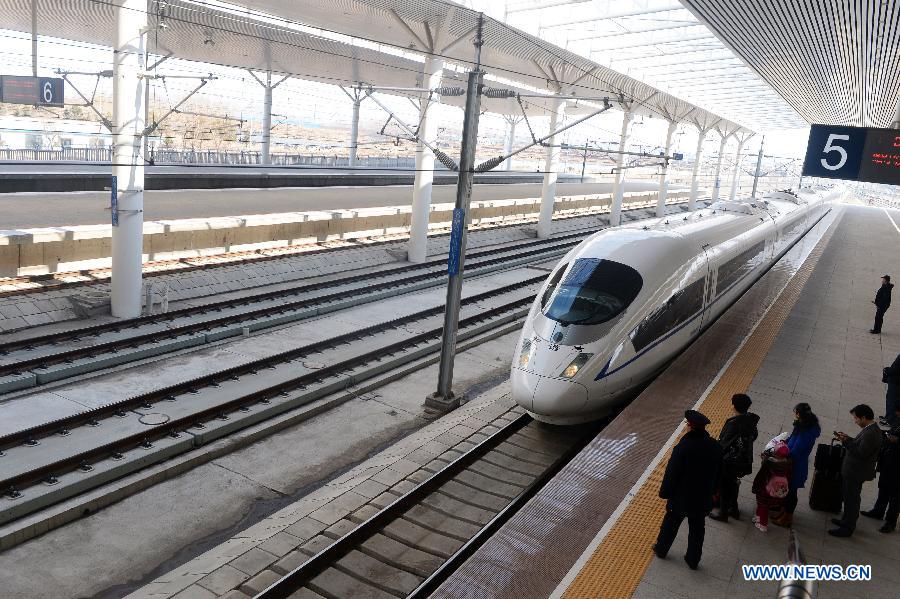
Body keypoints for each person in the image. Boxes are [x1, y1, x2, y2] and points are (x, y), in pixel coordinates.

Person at [653, 410, 722, 570]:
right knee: (697, 529)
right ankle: (693, 559)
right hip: (702, 497)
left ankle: (661, 549)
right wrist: (714, 492)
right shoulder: (715, 447)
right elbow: (720, 473)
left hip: (681, 497)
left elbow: (672, 473)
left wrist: (665, 493)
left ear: (690, 426)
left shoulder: (683, 448)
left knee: (670, 524)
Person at [829, 404, 883, 537]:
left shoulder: (871, 433)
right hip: (855, 470)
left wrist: (846, 442)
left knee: (852, 499)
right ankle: (845, 520)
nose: (855, 421)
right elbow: (860, 445)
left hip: (856, 472)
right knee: (848, 497)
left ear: (864, 417)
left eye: (856, 418)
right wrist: (848, 439)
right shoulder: (870, 429)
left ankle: (847, 528)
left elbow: (861, 453)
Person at [710, 393, 759, 522]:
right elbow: (754, 436)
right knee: (733, 483)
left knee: (725, 485)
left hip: (730, 461)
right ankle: (734, 509)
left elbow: (723, 444)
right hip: (743, 460)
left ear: (734, 406)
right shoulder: (751, 420)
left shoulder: (734, 423)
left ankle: (723, 513)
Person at [772, 403, 821, 527]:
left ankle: (788, 518)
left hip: (795, 465)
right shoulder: (804, 426)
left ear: (799, 414)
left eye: (796, 413)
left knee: (791, 492)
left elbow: (797, 450)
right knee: (787, 490)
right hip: (793, 462)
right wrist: (785, 443)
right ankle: (784, 512)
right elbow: (793, 441)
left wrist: (783, 455)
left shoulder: (806, 431)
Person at [861, 407, 900, 533]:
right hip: (889, 462)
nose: (896, 414)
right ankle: (878, 511)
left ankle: (890, 522)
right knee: (883, 487)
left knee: (895, 496)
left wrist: (897, 440)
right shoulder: (898, 422)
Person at [751, 442, 792, 532]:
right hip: (778, 492)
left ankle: (763, 524)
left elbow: (762, 475)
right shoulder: (788, 464)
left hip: (766, 490)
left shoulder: (769, 463)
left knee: (763, 506)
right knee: (764, 506)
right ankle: (758, 517)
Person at [882, 353, 900, 427]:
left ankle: (890, 420)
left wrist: (887, 370)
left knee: (891, 401)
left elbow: (895, 368)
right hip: (896, 381)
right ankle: (888, 417)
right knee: (890, 400)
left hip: (896, 382)